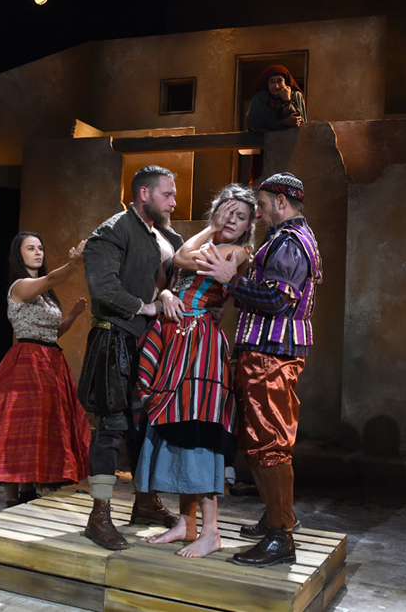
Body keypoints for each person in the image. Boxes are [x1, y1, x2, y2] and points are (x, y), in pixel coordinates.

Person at [197, 172, 322, 567]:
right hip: (266, 352)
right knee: (259, 439)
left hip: (271, 354)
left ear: (281, 203)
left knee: (268, 442)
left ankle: (281, 536)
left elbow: (276, 300)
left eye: (263, 205)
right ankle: (275, 517)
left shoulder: (289, 242)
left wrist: (231, 281)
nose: (259, 214)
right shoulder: (289, 238)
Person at [134, 184, 256, 558]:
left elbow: (182, 258)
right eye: (226, 212)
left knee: (199, 429)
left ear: (248, 226)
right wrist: (167, 295)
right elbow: (167, 277)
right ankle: (186, 524)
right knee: (178, 427)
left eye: (240, 217)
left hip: (200, 344)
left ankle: (211, 531)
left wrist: (211, 227)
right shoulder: (209, 244)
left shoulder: (237, 252)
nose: (231, 221)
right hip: (176, 340)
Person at [77, 164, 184, 551]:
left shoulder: (167, 235)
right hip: (115, 340)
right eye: (167, 194)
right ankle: (99, 514)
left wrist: (166, 295)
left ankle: (146, 503)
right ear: (144, 194)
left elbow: (169, 278)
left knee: (146, 428)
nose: (173, 202)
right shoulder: (113, 231)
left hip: (151, 344)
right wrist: (146, 306)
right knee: (111, 428)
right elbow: (103, 287)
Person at [0, 232, 91, 507]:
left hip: (51, 361)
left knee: (40, 426)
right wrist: (74, 263)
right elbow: (52, 279)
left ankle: (28, 489)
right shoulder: (20, 286)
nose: (38, 252)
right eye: (31, 248)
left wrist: (73, 316)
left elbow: (53, 332)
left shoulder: (46, 294)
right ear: (19, 255)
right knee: (18, 426)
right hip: (28, 361)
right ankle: (12, 496)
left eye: (40, 247)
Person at [246, 65, 306, 133]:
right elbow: (255, 125)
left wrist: (287, 100)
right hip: (266, 139)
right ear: (267, 84)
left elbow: (297, 123)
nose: (276, 86)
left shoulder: (296, 96)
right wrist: (283, 122)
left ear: (285, 82)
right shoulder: (260, 98)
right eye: (272, 82)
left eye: (280, 81)